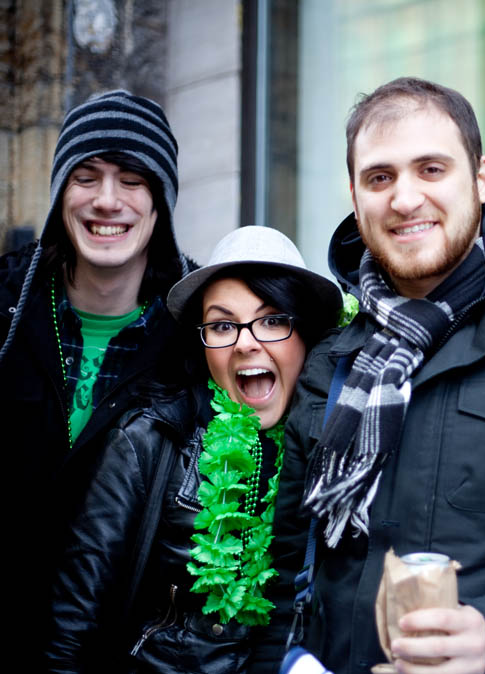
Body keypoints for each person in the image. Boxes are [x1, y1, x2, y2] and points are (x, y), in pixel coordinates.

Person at [258, 77, 485, 674]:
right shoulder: (329, 362)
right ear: (355, 197)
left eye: (431, 169)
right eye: (381, 178)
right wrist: (296, 663)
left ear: (481, 178)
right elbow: (280, 561)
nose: (405, 199)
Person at [47, 226, 343, 672]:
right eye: (223, 325)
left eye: (273, 320)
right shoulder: (149, 439)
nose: (246, 342)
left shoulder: (343, 448)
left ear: (307, 334)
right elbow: (72, 623)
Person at [0, 90, 190, 650]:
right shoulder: (5, 304)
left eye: (132, 180)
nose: (108, 200)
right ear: (61, 195)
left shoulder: (198, 334)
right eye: (87, 176)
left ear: (160, 203)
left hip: (123, 651)